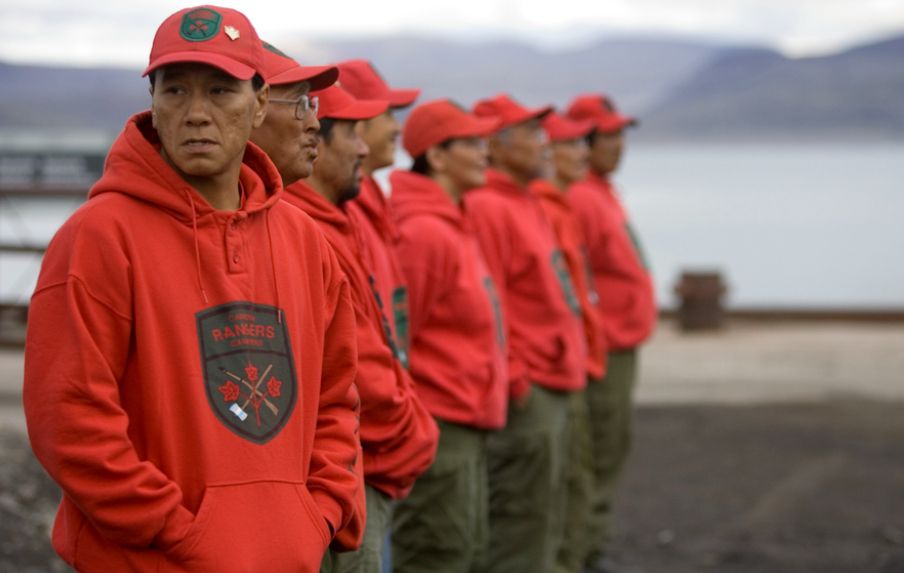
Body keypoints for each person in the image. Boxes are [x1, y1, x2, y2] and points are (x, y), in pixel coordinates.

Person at [22, 7, 360, 572]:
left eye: (221, 91)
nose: (196, 114)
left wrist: (321, 511)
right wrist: (175, 530)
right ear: (152, 103)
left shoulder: (305, 241)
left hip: (290, 556)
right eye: (174, 90)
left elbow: (337, 397)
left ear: (257, 105)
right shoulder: (98, 237)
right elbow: (70, 419)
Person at [280, 84, 439, 573]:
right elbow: (353, 369)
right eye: (355, 129)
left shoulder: (337, 220)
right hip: (356, 469)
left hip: (367, 465)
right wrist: (414, 431)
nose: (371, 142)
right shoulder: (310, 231)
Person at [466, 93, 588, 573]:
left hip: (552, 378)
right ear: (495, 145)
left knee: (546, 517)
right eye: (532, 134)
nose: (546, 144)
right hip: (529, 388)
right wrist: (517, 378)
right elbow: (486, 301)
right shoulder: (487, 207)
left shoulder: (524, 199)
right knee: (520, 524)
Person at [387, 99, 508, 572]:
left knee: (467, 553)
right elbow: (399, 340)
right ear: (436, 157)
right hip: (440, 427)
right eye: (473, 144)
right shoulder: (424, 233)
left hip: (468, 420)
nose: (485, 153)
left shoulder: (453, 224)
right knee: (437, 555)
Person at [566, 94, 657, 573]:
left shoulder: (600, 189)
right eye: (609, 136)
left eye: (622, 135)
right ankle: (585, 556)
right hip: (605, 349)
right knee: (598, 458)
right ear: (582, 140)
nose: (619, 146)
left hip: (620, 342)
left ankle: (589, 551)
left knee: (607, 455)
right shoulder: (582, 195)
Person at [529, 111, 609, 573]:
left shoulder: (558, 205)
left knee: (577, 481)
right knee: (555, 494)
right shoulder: (538, 206)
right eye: (569, 144)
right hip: (549, 374)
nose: (584, 152)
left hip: (575, 363)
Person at [336, 59, 420, 369]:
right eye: (387, 114)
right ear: (356, 121)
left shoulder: (371, 202)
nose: (397, 127)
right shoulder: (340, 208)